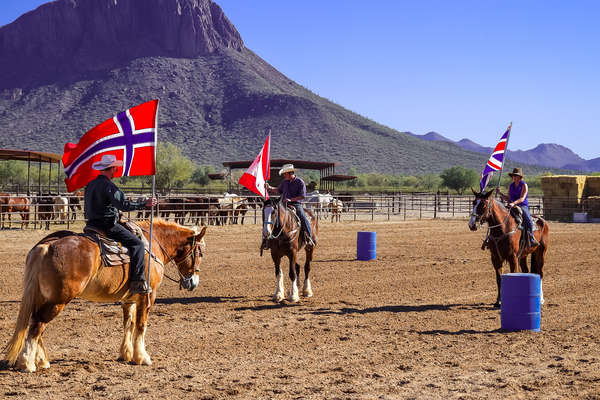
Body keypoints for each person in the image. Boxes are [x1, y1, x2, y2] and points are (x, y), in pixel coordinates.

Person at [84, 154, 157, 294]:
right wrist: (144, 204)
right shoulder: (109, 186)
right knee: (138, 244)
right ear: (112, 169)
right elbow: (123, 205)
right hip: (108, 226)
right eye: (116, 168)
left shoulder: (90, 184)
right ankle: (138, 281)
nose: (117, 170)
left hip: (91, 225)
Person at [263, 163, 315, 249]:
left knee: (303, 218)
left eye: (285, 173)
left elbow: (302, 196)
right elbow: (278, 191)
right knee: (272, 218)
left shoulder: (300, 182)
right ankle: (267, 240)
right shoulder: (284, 182)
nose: (284, 175)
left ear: (290, 173)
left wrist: (291, 200)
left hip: (296, 204)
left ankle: (308, 238)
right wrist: (269, 188)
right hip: (283, 204)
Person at [496, 167, 539, 248]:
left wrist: (513, 203)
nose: (514, 177)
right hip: (512, 205)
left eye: (516, 175)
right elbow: (508, 198)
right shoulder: (511, 186)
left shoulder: (524, 185)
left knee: (528, 220)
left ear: (520, 177)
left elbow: (522, 198)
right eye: (513, 176)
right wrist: (500, 193)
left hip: (522, 205)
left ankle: (531, 238)